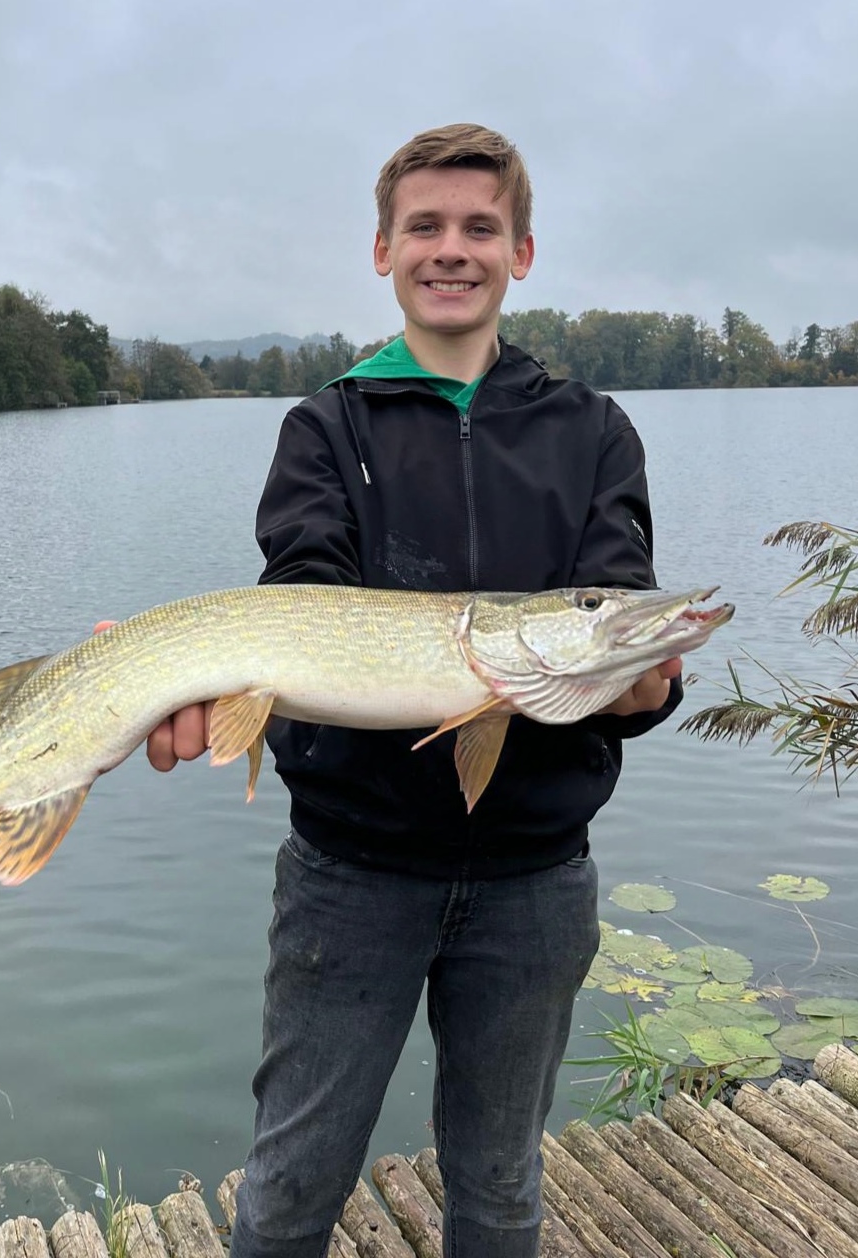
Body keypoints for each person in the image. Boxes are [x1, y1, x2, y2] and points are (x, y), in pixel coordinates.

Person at [141, 124, 682, 1258]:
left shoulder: (590, 430)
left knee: (499, 1186)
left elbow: (616, 608)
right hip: (351, 875)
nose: (452, 248)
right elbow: (299, 593)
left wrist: (636, 678)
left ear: (520, 253)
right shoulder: (326, 425)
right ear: (381, 250)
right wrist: (195, 680)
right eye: (424, 227)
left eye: (478, 228)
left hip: (535, 877)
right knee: (292, 1184)